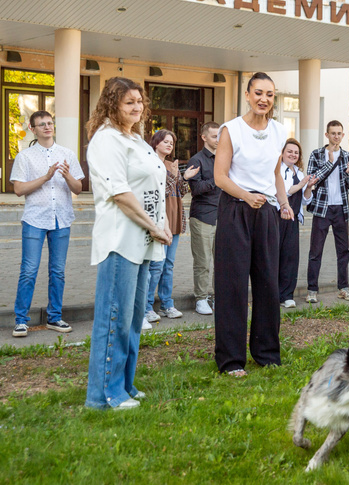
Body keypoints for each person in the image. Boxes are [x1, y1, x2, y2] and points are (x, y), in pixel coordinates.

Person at [85, 77, 171, 410]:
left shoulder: (135, 138)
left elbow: (155, 184)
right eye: (128, 102)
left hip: (145, 241)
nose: (136, 107)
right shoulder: (106, 140)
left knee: (134, 319)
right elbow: (120, 193)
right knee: (114, 319)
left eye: (139, 101)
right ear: (112, 104)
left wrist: (159, 224)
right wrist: (153, 226)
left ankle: (124, 384)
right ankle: (103, 395)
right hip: (121, 241)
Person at [213, 72, 293, 377]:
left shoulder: (279, 131)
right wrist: (247, 196)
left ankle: (266, 353)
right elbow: (221, 177)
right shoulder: (231, 130)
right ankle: (231, 360)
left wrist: (283, 204)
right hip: (236, 209)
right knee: (232, 286)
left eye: (270, 94)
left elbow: (275, 175)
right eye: (258, 93)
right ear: (247, 95)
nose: (264, 99)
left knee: (268, 284)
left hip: (267, 213)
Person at [10, 110, 84, 337]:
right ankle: (21, 320)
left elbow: (78, 189)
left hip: (61, 219)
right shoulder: (25, 156)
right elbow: (19, 190)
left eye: (50, 123)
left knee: (58, 271)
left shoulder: (67, 154)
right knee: (29, 271)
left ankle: (54, 317)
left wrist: (67, 175)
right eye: (41, 124)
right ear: (33, 129)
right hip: (35, 220)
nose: (47, 127)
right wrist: (46, 176)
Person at [145, 129, 193, 327]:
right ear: (155, 142)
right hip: (158, 221)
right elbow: (158, 192)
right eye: (165, 141)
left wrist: (185, 177)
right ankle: (147, 306)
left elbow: (180, 192)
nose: (169, 145)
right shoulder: (149, 163)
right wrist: (173, 176)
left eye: (172, 143)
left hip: (174, 219)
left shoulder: (170, 165)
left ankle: (166, 304)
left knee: (169, 265)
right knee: (155, 265)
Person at [305, 121, 349, 304]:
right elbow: (312, 180)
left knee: (343, 251)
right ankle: (312, 290)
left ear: (343, 135)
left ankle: (343, 289)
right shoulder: (317, 154)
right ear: (326, 135)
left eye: (339, 133)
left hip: (341, 209)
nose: (336, 136)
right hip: (322, 208)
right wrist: (329, 163)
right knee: (315, 251)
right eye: (333, 133)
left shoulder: (348, 155)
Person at [184, 121, 221, 316]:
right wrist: (217, 178)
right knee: (203, 262)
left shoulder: (224, 158)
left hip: (222, 217)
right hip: (203, 217)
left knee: (221, 262)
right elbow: (196, 189)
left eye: (220, 136)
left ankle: (217, 297)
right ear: (204, 137)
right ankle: (201, 299)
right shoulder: (196, 160)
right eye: (215, 136)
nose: (218, 139)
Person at [279, 138, 313, 308]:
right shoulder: (278, 171)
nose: (293, 154)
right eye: (289, 151)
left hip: (293, 221)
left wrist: (308, 187)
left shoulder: (299, 172)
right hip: (277, 219)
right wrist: (301, 184)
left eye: (296, 152)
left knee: (290, 258)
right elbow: (285, 191)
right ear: (282, 153)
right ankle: (273, 295)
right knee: (275, 257)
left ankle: (287, 295)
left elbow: (305, 201)